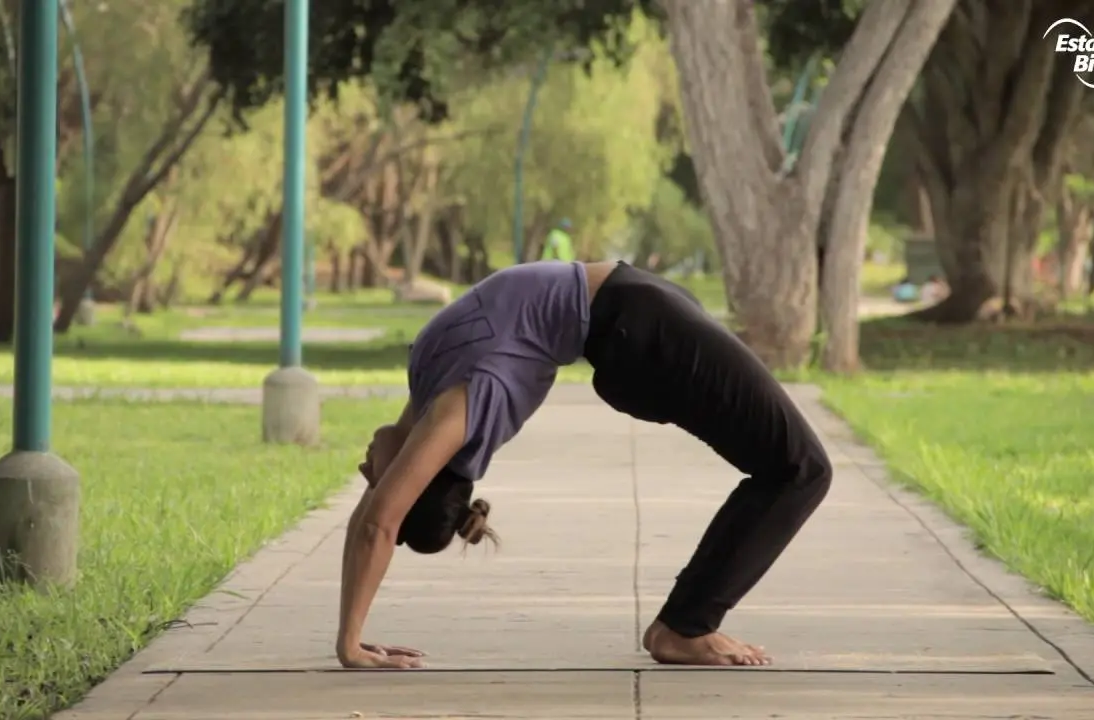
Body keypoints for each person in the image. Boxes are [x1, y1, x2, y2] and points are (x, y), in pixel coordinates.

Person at [337, 260, 833, 670]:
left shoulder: (428, 386)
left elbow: (378, 517)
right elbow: (380, 523)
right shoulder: (461, 406)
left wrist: (351, 637)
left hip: (637, 313)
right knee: (802, 469)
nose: (366, 476)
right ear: (415, 476)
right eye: (378, 481)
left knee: (788, 466)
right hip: (640, 330)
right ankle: (684, 629)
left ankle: (685, 623)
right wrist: (351, 648)